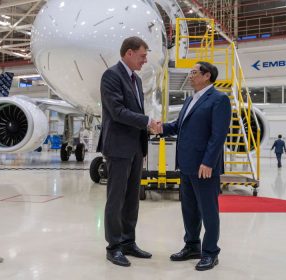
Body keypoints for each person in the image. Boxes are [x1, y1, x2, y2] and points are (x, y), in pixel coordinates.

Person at [153, 61, 231, 271]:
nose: (190, 76)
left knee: (208, 211)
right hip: (186, 165)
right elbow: (178, 126)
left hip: (204, 167)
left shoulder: (219, 99)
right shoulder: (191, 100)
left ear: (207, 76)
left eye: (194, 72)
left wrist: (208, 162)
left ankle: (210, 252)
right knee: (189, 210)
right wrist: (159, 128)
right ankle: (192, 246)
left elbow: (218, 135)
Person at [98, 36, 159, 267]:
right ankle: (113, 247)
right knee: (116, 199)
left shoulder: (137, 80)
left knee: (132, 198)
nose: (145, 60)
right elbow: (117, 111)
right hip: (118, 147)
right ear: (129, 53)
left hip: (135, 147)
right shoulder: (111, 76)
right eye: (143, 56)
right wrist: (147, 121)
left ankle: (128, 242)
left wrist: (147, 128)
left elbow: (133, 111)